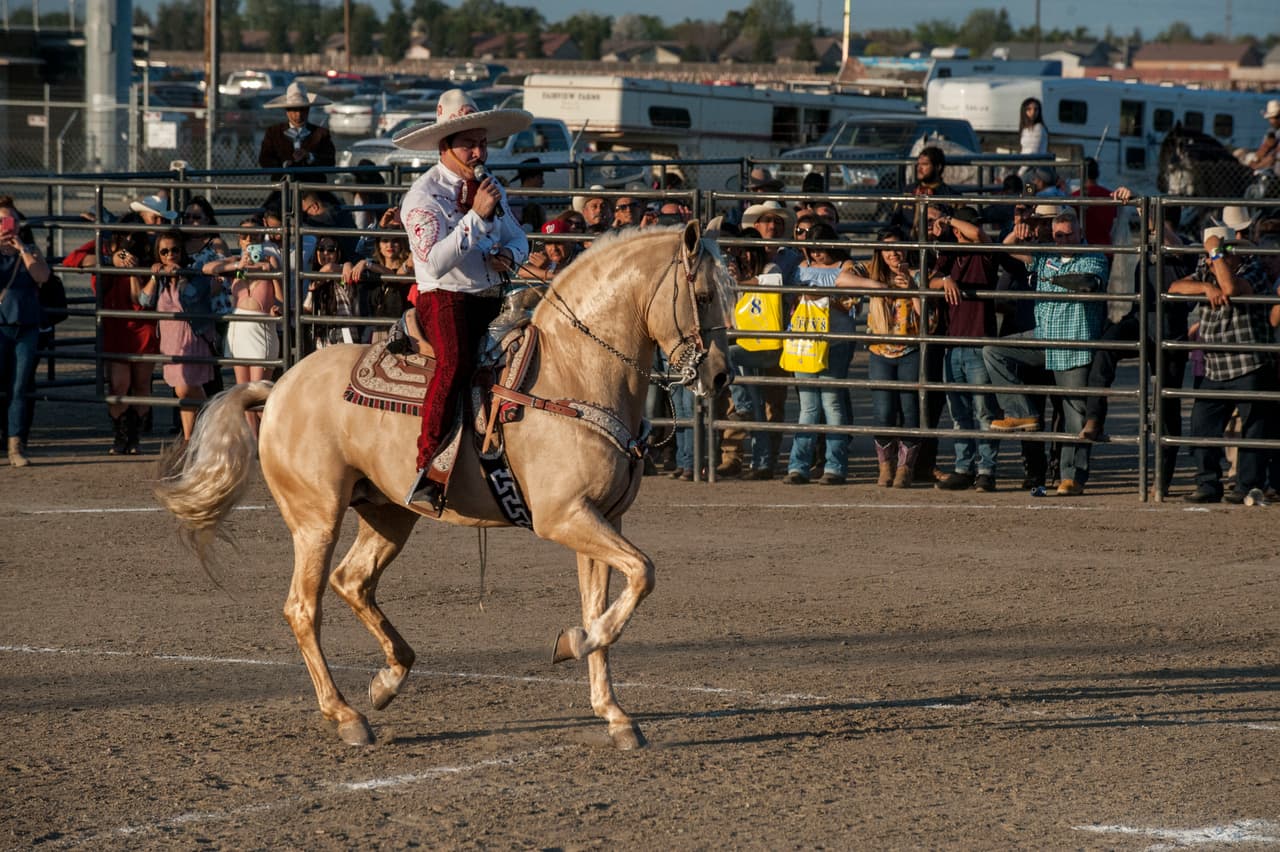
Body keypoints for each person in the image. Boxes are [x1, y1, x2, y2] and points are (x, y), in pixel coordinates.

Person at [393, 89, 532, 505]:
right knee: (453, 364)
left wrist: (511, 253)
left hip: (490, 294)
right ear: (446, 146)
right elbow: (433, 263)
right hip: (444, 298)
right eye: (469, 144)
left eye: (482, 143)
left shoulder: (490, 187)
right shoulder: (423, 197)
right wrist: (477, 217)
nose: (478, 152)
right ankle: (428, 465)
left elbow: (519, 237)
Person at [984, 209, 1108, 496]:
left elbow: (1089, 283)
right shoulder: (1045, 256)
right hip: (1043, 336)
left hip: (1073, 342)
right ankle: (1022, 413)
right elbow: (1007, 249)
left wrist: (1053, 281)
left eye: (1069, 234)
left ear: (1080, 233)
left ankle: (1072, 477)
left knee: (1074, 413)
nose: (1063, 240)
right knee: (994, 351)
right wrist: (1019, 229)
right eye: (1058, 235)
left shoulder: (1094, 256)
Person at [1171, 226, 1278, 504]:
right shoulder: (1207, 272)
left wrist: (1215, 251)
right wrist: (1205, 286)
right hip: (1215, 367)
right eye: (1208, 254)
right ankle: (1207, 483)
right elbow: (1174, 288)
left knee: (1254, 427)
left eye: (1216, 253)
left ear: (1232, 253)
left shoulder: (1254, 271)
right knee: (1202, 425)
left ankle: (1248, 486)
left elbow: (1231, 288)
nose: (1209, 260)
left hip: (1249, 363)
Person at [929, 206, 1026, 492]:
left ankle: (986, 469)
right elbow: (929, 279)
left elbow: (979, 235)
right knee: (959, 412)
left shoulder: (983, 253)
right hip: (953, 343)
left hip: (978, 343)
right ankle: (964, 467)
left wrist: (946, 220)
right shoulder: (949, 254)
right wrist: (945, 279)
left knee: (985, 411)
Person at [836, 227, 927, 487]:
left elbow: (926, 319)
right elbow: (841, 280)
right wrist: (880, 285)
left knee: (910, 411)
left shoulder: (917, 273)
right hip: (879, 350)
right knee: (883, 411)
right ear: (880, 251)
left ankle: (905, 468)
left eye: (897, 247)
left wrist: (911, 288)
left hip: (910, 349)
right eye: (887, 248)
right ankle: (885, 466)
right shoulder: (869, 269)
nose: (893, 253)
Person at [63, 215, 158, 454]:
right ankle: (121, 434)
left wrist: (138, 269)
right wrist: (108, 259)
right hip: (116, 324)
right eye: (122, 234)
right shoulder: (103, 246)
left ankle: (134, 436)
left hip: (143, 324)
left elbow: (147, 295)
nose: (127, 240)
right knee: (118, 385)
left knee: (142, 384)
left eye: (133, 236)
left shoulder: (148, 250)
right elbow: (72, 260)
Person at [781, 221, 857, 486]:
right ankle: (798, 465)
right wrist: (803, 296)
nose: (816, 254)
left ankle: (835, 466)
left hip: (835, 340)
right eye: (812, 249)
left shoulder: (846, 267)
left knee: (832, 403)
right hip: (804, 339)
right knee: (808, 406)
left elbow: (851, 303)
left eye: (820, 248)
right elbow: (790, 298)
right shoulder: (802, 268)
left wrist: (823, 296)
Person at [138, 230, 215, 442]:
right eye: (164, 251)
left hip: (191, 338)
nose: (170, 255)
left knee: (184, 388)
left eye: (174, 250)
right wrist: (155, 276)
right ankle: (190, 440)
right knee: (185, 395)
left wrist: (180, 276)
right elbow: (144, 300)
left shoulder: (195, 273)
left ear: (181, 251)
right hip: (170, 341)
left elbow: (192, 296)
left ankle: (214, 414)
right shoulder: (160, 278)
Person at [0, 205, 52, 467]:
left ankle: (15, 445)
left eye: (11, 220)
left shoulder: (30, 250)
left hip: (26, 326)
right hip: (1, 325)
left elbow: (42, 276)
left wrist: (22, 248)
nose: (6, 225)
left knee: (19, 388)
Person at [346, 208, 414, 342]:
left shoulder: (408, 265)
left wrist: (368, 264)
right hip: (375, 332)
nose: (389, 245)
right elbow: (357, 253)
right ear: (378, 244)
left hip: (404, 331)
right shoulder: (369, 266)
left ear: (401, 244)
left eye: (395, 240)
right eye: (384, 240)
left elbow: (396, 278)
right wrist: (348, 264)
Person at [258, 82, 336, 186]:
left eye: (303, 109)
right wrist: (284, 166)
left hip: (314, 188)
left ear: (308, 109)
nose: (298, 115)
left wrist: (310, 156)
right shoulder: (273, 132)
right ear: (287, 110)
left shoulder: (321, 133)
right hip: (282, 189)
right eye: (294, 110)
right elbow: (265, 160)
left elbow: (330, 162)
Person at [302, 237, 359, 350]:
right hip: (322, 336)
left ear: (338, 253)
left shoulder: (343, 273)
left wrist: (347, 264)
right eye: (321, 249)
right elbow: (307, 309)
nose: (326, 252)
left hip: (345, 334)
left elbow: (330, 268)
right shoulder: (312, 278)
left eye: (331, 249)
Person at [1070, 158, 1118, 250]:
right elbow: (1114, 226)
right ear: (1097, 173)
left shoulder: (1074, 197)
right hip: (1106, 248)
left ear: (1081, 173)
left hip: (1084, 250)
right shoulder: (1110, 196)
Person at [1249, 99, 1279, 173]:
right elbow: (1265, 147)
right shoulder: (1272, 131)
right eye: (1270, 118)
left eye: (1274, 117)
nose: (1271, 121)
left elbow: (1274, 155)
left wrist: (1256, 166)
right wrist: (1255, 160)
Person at [1019, 97, 1049, 164]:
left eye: (1036, 109)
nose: (1033, 112)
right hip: (1026, 165)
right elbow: (1024, 151)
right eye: (1029, 109)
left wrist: (1019, 173)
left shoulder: (1039, 128)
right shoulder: (1025, 129)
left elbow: (1033, 153)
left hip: (1036, 168)